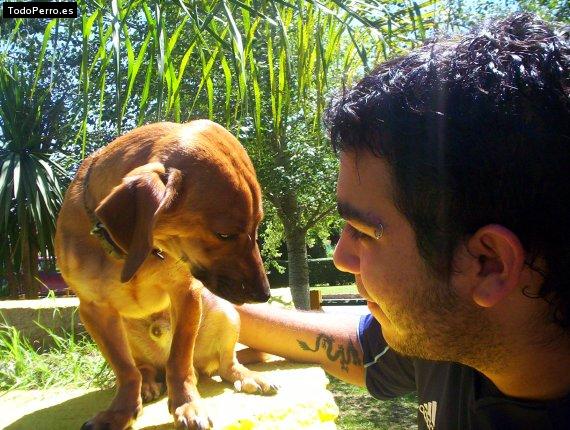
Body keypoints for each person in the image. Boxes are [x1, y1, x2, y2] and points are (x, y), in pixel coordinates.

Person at [236, 13, 570, 429]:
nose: (340, 257)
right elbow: (360, 347)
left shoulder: (446, 325)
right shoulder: (455, 332)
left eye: (362, 232)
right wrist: (220, 312)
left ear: (489, 265)